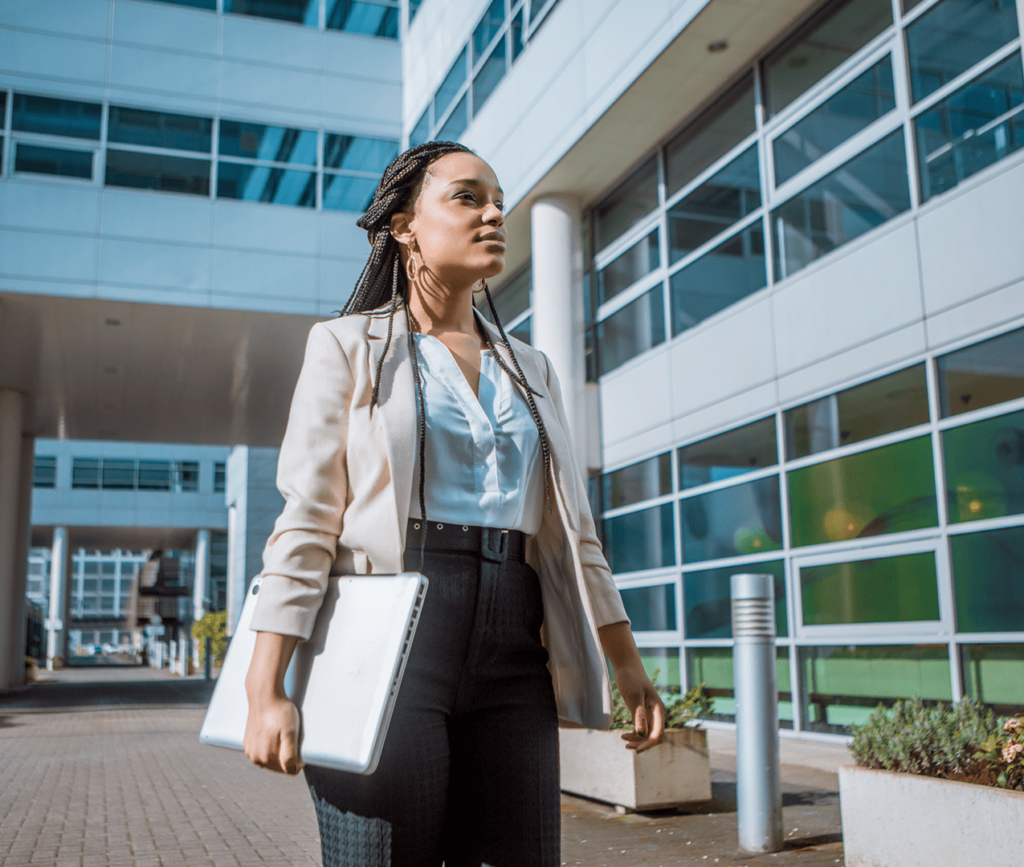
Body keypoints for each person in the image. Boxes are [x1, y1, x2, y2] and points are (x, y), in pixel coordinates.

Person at [242, 141, 666, 867]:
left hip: (514, 640)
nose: (495, 212)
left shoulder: (529, 367)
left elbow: (573, 529)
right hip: (390, 636)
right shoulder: (347, 347)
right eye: (468, 196)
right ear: (405, 224)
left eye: (499, 198)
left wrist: (624, 660)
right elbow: (307, 519)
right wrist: (265, 685)